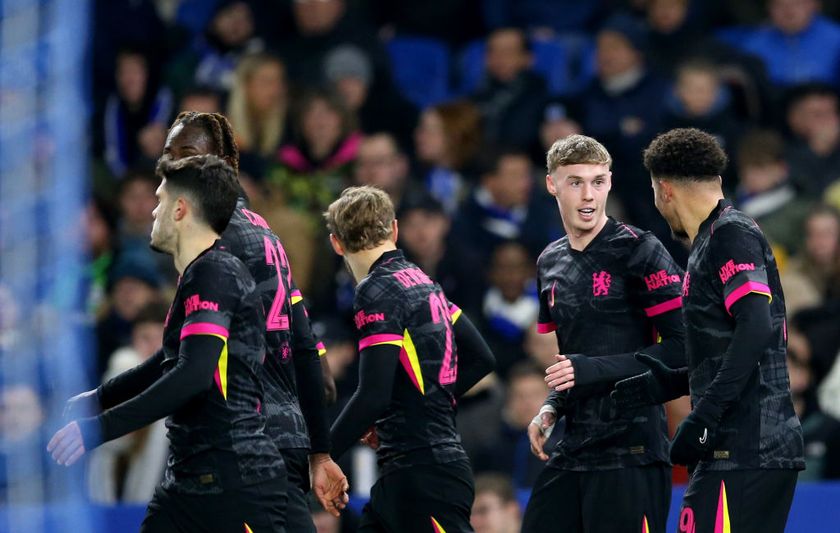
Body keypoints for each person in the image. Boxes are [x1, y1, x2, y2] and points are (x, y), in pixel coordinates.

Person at [67, 111, 346, 532]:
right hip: (250, 450)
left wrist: (99, 419)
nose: (177, 166)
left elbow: (194, 366)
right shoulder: (263, 236)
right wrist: (318, 450)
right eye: (169, 156)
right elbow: (306, 353)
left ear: (222, 168)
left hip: (242, 446)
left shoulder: (216, 244)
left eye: (189, 155)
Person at [48, 155, 288, 531]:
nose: (152, 212)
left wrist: (99, 426)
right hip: (189, 481)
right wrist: (98, 397)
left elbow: (192, 375)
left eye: (159, 200)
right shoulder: (201, 273)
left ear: (180, 209)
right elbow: (172, 358)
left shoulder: (214, 273)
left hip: (234, 480)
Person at [615, 128, 805, 532]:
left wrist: (703, 417)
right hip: (733, 449)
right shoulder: (710, 240)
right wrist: (665, 386)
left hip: (748, 449)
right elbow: (728, 346)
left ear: (663, 190)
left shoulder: (731, 234)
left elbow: (756, 326)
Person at [522, 134, 686, 533]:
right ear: (552, 185)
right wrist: (552, 407)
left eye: (597, 181)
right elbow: (574, 359)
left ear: (610, 182)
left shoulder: (640, 250)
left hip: (632, 448)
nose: (587, 195)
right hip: (576, 447)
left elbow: (685, 348)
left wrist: (590, 370)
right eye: (575, 182)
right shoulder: (549, 261)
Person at [324, 186, 496, 532]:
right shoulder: (424, 282)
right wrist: (421, 405)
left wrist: (322, 455)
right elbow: (481, 358)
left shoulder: (376, 289)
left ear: (337, 244)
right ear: (395, 230)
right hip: (413, 471)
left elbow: (373, 394)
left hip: (424, 473)